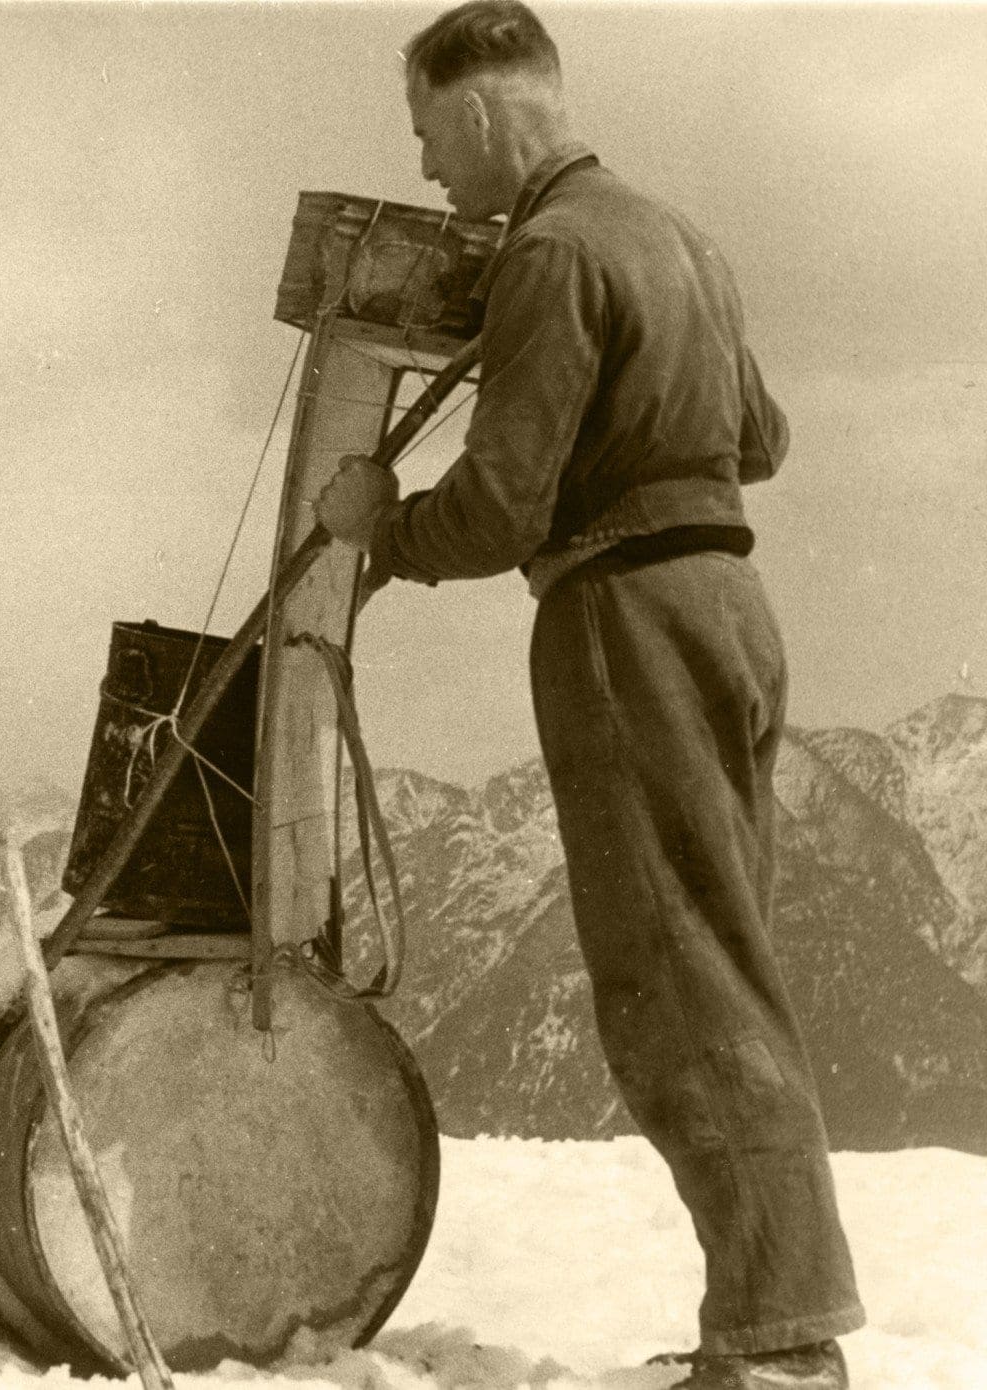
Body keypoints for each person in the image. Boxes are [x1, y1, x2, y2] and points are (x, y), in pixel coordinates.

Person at [312, 6, 862, 1388]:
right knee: (725, 956)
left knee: (674, 974)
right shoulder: (679, 235)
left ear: (488, 113)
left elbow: (501, 508)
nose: (434, 171)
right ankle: (782, 1318)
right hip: (732, 604)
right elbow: (766, 439)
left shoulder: (549, 250)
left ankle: (784, 1344)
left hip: (625, 614)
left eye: (432, 136)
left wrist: (380, 524)